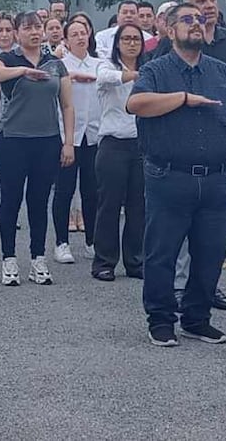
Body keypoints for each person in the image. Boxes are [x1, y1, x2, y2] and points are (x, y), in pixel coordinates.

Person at [127, 3, 226, 347]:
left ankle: (197, 318)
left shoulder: (222, 72)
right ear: (169, 29)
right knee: (161, 253)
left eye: (200, 19)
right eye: (187, 19)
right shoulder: (156, 69)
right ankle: (161, 319)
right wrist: (182, 99)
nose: (196, 24)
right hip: (170, 177)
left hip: (217, 180)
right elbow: (136, 105)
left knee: (211, 252)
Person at [0, 12, 75, 286]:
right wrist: (23, 71)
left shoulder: (55, 64)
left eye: (38, 27)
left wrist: (68, 142)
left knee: (38, 201)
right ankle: (9, 258)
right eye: (27, 28)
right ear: (17, 32)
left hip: (46, 140)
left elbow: (67, 105)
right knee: (11, 200)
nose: (34, 32)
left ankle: (38, 258)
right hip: (11, 140)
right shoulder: (9, 59)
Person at [92, 24, 146, 281]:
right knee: (109, 205)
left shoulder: (150, 68)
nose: (132, 43)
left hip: (141, 145)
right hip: (113, 144)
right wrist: (135, 76)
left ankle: (135, 261)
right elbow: (104, 79)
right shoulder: (107, 66)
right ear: (117, 43)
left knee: (139, 207)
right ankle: (104, 262)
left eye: (136, 39)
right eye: (126, 39)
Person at [52, 19, 102, 263]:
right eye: (74, 34)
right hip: (67, 136)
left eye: (83, 33)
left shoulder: (100, 63)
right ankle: (62, 242)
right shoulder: (59, 65)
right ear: (66, 39)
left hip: (94, 135)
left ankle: (92, 240)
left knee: (92, 191)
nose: (80, 37)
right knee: (64, 190)